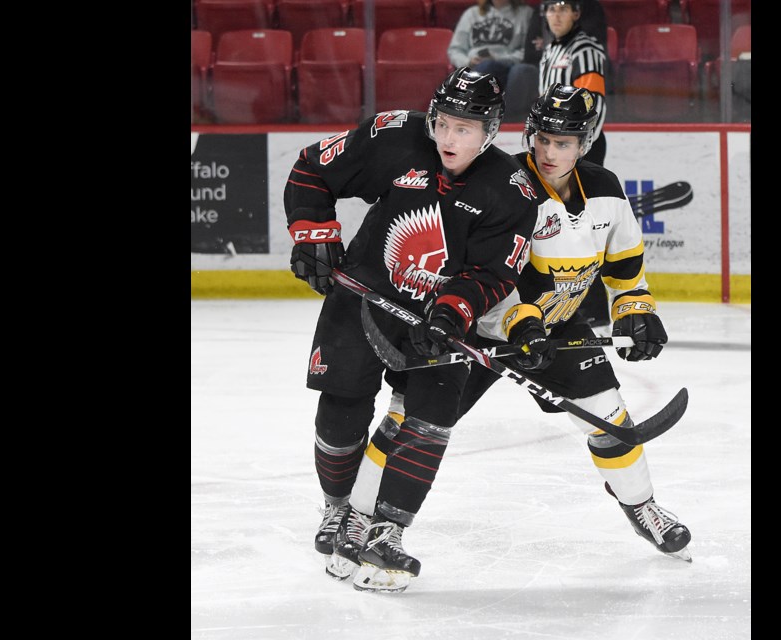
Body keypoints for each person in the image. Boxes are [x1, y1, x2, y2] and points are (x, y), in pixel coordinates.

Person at [348, 85, 692, 570]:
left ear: (586, 143)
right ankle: (359, 517)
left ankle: (643, 506)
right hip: (471, 325)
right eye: (543, 139)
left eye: (564, 143)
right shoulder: (503, 185)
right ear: (530, 134)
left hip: (553, 328)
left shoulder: (608, 191)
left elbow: (624, 269)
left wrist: (635, 311)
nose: (550, 152)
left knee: (610, 417)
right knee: (412, 420)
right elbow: (484, 272)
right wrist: (520, 323)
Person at [283, 67, 539, 593]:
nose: (448, 137)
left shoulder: (511, 189)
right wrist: (313, 234)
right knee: (341, 409)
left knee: (427, 422)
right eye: (443, 122)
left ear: (490, 130)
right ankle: (338, 511)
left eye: (464, 128)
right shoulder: (395, 135)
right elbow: (313, 169)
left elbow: (492, 272)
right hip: (362, 298)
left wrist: (451, 312)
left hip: (440, 323)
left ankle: (389, 532)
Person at [538, 0, 609, 165]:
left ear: (575, 14)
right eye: (551, 10)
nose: (556, 16)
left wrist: (580, 147)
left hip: (579, 147)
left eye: (563, 9)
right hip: (554, 143)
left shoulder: (585, 50)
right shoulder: (550, 51)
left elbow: (594, 103)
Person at [447, 0, 534, 119]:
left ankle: (508, 122)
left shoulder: (525, 13)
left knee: (516, 70)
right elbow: (455, 50)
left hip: (509, 66)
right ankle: (473, 116)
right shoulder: (471, 14)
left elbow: (528, 51)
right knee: (485, 67)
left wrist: (498, 58)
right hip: (476, 66)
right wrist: (468, 61)